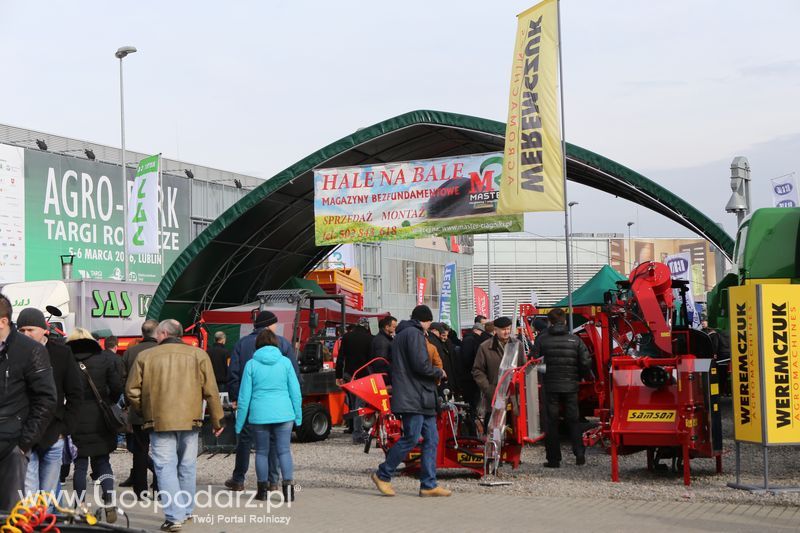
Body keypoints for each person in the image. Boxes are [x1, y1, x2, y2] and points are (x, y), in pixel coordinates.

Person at [126, 319, 224, 533]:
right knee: (187, 466)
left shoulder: (145, 356)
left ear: (162, 333)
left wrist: (146, 411)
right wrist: (217, 419)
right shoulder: (199, 355)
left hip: (159, 421)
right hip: (191, 420)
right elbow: (211, 390)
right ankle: (187, 510)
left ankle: (174, 516)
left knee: (165, 467)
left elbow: (132, 391)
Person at [371, 305, 451, 498]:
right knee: (412, 438)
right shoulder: (414, 334)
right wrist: (438, 372)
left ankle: (428, 485)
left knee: (431, 438)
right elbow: (420, 365)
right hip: (414, 396)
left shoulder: (402, 334)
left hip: (419, 396)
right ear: (427, 320)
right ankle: (383, 474)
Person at [226, 311, 299, 492]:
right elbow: (294, 379)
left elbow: (233, 374)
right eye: (275, 323)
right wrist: (295, 410)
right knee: (278, 446)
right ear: (269, 325)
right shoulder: (282, 343)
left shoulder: (241, 344)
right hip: (282, 408)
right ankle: (274, 482)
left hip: (253, 405)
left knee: (246, 442)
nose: (276, 327)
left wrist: (235, 399)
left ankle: (239, 479)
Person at [17, 308, 82, 501]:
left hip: (53, 434)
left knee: (48, 495)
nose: (26, 335)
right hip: (24, 435)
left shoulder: (61, 353)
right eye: (21, 331)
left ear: (44, 329)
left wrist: (65, 428)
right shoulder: (14, 354)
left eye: (30, 330)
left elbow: (76, 393)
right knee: (29, 495)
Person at [0, 295, 56, 511]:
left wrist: (23, 444)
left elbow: (46, 399)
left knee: (11, 516)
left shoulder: (31, 350)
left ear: (3, 321)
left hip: (11, 448)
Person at [67, 328, 123, 522]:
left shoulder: (67, 360)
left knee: (80, 465)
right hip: (101, 417)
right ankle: (108, 500)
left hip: (75, 416)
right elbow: (117, 387)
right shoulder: (104, 359)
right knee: (102, 461)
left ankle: (80, 506)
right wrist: (108, 401)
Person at [536, 308, 592, 468]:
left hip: (550, 386)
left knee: (551, 422)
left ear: (549, 322)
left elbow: (535, 362)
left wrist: (544, 377)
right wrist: (580, 376)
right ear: (565, 321)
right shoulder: (575, 340)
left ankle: (554, 459)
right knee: (573, 420)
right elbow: (586, 362)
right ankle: (579, 453)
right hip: (570, 385)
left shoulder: (542, 340)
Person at [121, 319, 159, 498]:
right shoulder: (161, 351)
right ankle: (160, 486)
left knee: (140, 450)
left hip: (137, 409)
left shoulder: (130, 352)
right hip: (159, 409)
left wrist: (130, 404)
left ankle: (140, 489)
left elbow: (124, 381)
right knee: (161, 450)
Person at [472, 317, 523, 428]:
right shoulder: (485, 347)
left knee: (514, 426)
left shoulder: (518, 344)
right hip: (494, 392)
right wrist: (488, 388)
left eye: (508, 329)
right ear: (496, 330)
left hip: (514, 393)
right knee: (493, 427)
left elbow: (523, 367)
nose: (507, 332)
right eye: (503, 329)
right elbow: (477, 370)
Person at [335, 318, 374, 444]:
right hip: (362, 374)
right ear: (367, 326)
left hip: (348, 374)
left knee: (352, 404)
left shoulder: (346, 337)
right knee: (359, 405)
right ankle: (357, 435)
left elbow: (341, 358)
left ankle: (352, 428)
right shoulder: (370, 338)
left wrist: (338, 375)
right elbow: (371, 359)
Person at [459, 321, 490, 412]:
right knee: (472, 401)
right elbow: (467, 358)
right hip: (469, 376)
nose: (481, 334)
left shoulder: (470, 339)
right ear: (476, 330)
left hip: (469, 375)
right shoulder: (470, 340)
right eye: (481, 331)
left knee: (473, 401)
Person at [428, 323, 459, 396]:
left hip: (444, 378)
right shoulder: (435, 343)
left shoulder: (446, 343)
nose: (445, 338)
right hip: (441, 379)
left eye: (447, 335)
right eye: (443, 335)